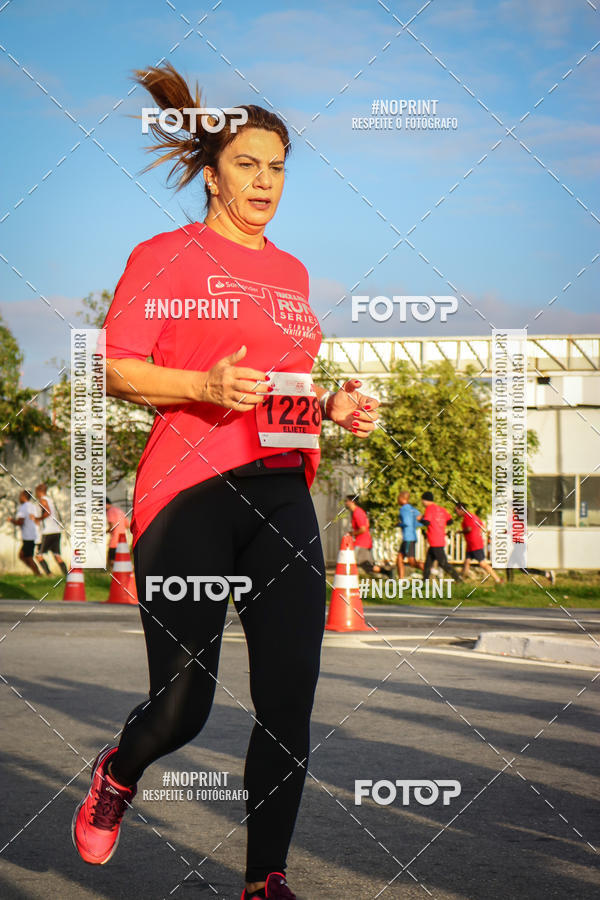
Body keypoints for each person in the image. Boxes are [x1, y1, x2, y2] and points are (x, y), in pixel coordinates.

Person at [71, 62, 380, 900]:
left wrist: (333, 402)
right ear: (212, 174)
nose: (266, 181)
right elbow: (117, 371)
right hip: (188, 493)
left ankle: (264, 879)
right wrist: (202, 387)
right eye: (248, 164)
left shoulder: (294, 276)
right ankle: (118, 771)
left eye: (278, 166)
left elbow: (276, 393)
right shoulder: (164, 257)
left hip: (280, 488)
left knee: (288, 701)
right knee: (183, 709)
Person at [344, 496, 393, 576]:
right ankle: (387, 572)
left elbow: (363, 528)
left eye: (346, 501)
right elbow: (367, 524)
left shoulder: (357, 513)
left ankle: (387, 571)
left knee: (353, 560)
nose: (345, 503)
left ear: (352, 502)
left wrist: (351, 533)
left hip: (362, 543)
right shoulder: (356, 512)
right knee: (365, 565)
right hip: (363, 542)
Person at [454, 502, 501, 584]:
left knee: (482, 563)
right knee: (467, 562)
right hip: (472, 544)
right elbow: (481, 526)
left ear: (461, 509)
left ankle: (498, 579)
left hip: (474, 544)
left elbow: (469, 529)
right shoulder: (473, 516)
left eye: (456, 510)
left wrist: (460, 531)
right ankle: (460, 580)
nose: (456, 512)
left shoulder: (467, 517)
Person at [420, 492, 461, 582]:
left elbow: (426, 522)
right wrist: (440, 524)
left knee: (443, 563)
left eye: (422, 500)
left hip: (434, 539)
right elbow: (450, 521)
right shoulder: (441, 509)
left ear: (425, 500)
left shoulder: (429, 509)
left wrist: (420, 519)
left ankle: (458, 579)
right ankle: (424, 581)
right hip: (440, 537)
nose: (422, 503)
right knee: (428, 562)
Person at [33, 482, 67, 576]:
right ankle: (67, 575)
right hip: (56, 531)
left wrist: (38, 519)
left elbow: (48, 512)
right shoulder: (50, 500)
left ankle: (49, 574)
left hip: (48, 532)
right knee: (57, 555)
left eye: (36, 492)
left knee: (38, 556)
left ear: (39, 492)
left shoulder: (42, 500)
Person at [7, 490, 42, 576]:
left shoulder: (23, 507)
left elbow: (20, 522)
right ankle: (36, 573)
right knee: (23, 556)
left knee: (27, 556)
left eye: (20, 496)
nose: (19, 498)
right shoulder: (33, 506)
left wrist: (11, 520)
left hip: (28, 536)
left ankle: (38, 574)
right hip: (33, 535)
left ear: (24, 496)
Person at [396, 491, 424, 578]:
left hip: (408, 537)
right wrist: (415, 524)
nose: (397, 500)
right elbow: (420, 517)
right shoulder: (412, 508)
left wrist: (399, 524)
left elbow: (406, 522)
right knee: (399, 558)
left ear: (403, 499)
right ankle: (401, 580)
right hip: (411, 536)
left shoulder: (404, 509)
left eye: (398, 498)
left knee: (411, 562)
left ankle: (429, 570)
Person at [105, 498, 131, 569]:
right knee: (123, 560)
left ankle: (112, 575)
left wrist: (104, 532)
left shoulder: (110, 511)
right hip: (122, 540)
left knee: (111, 560)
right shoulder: (120, 511)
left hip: (114, 541)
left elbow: (111, 527)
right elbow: (128, 526)